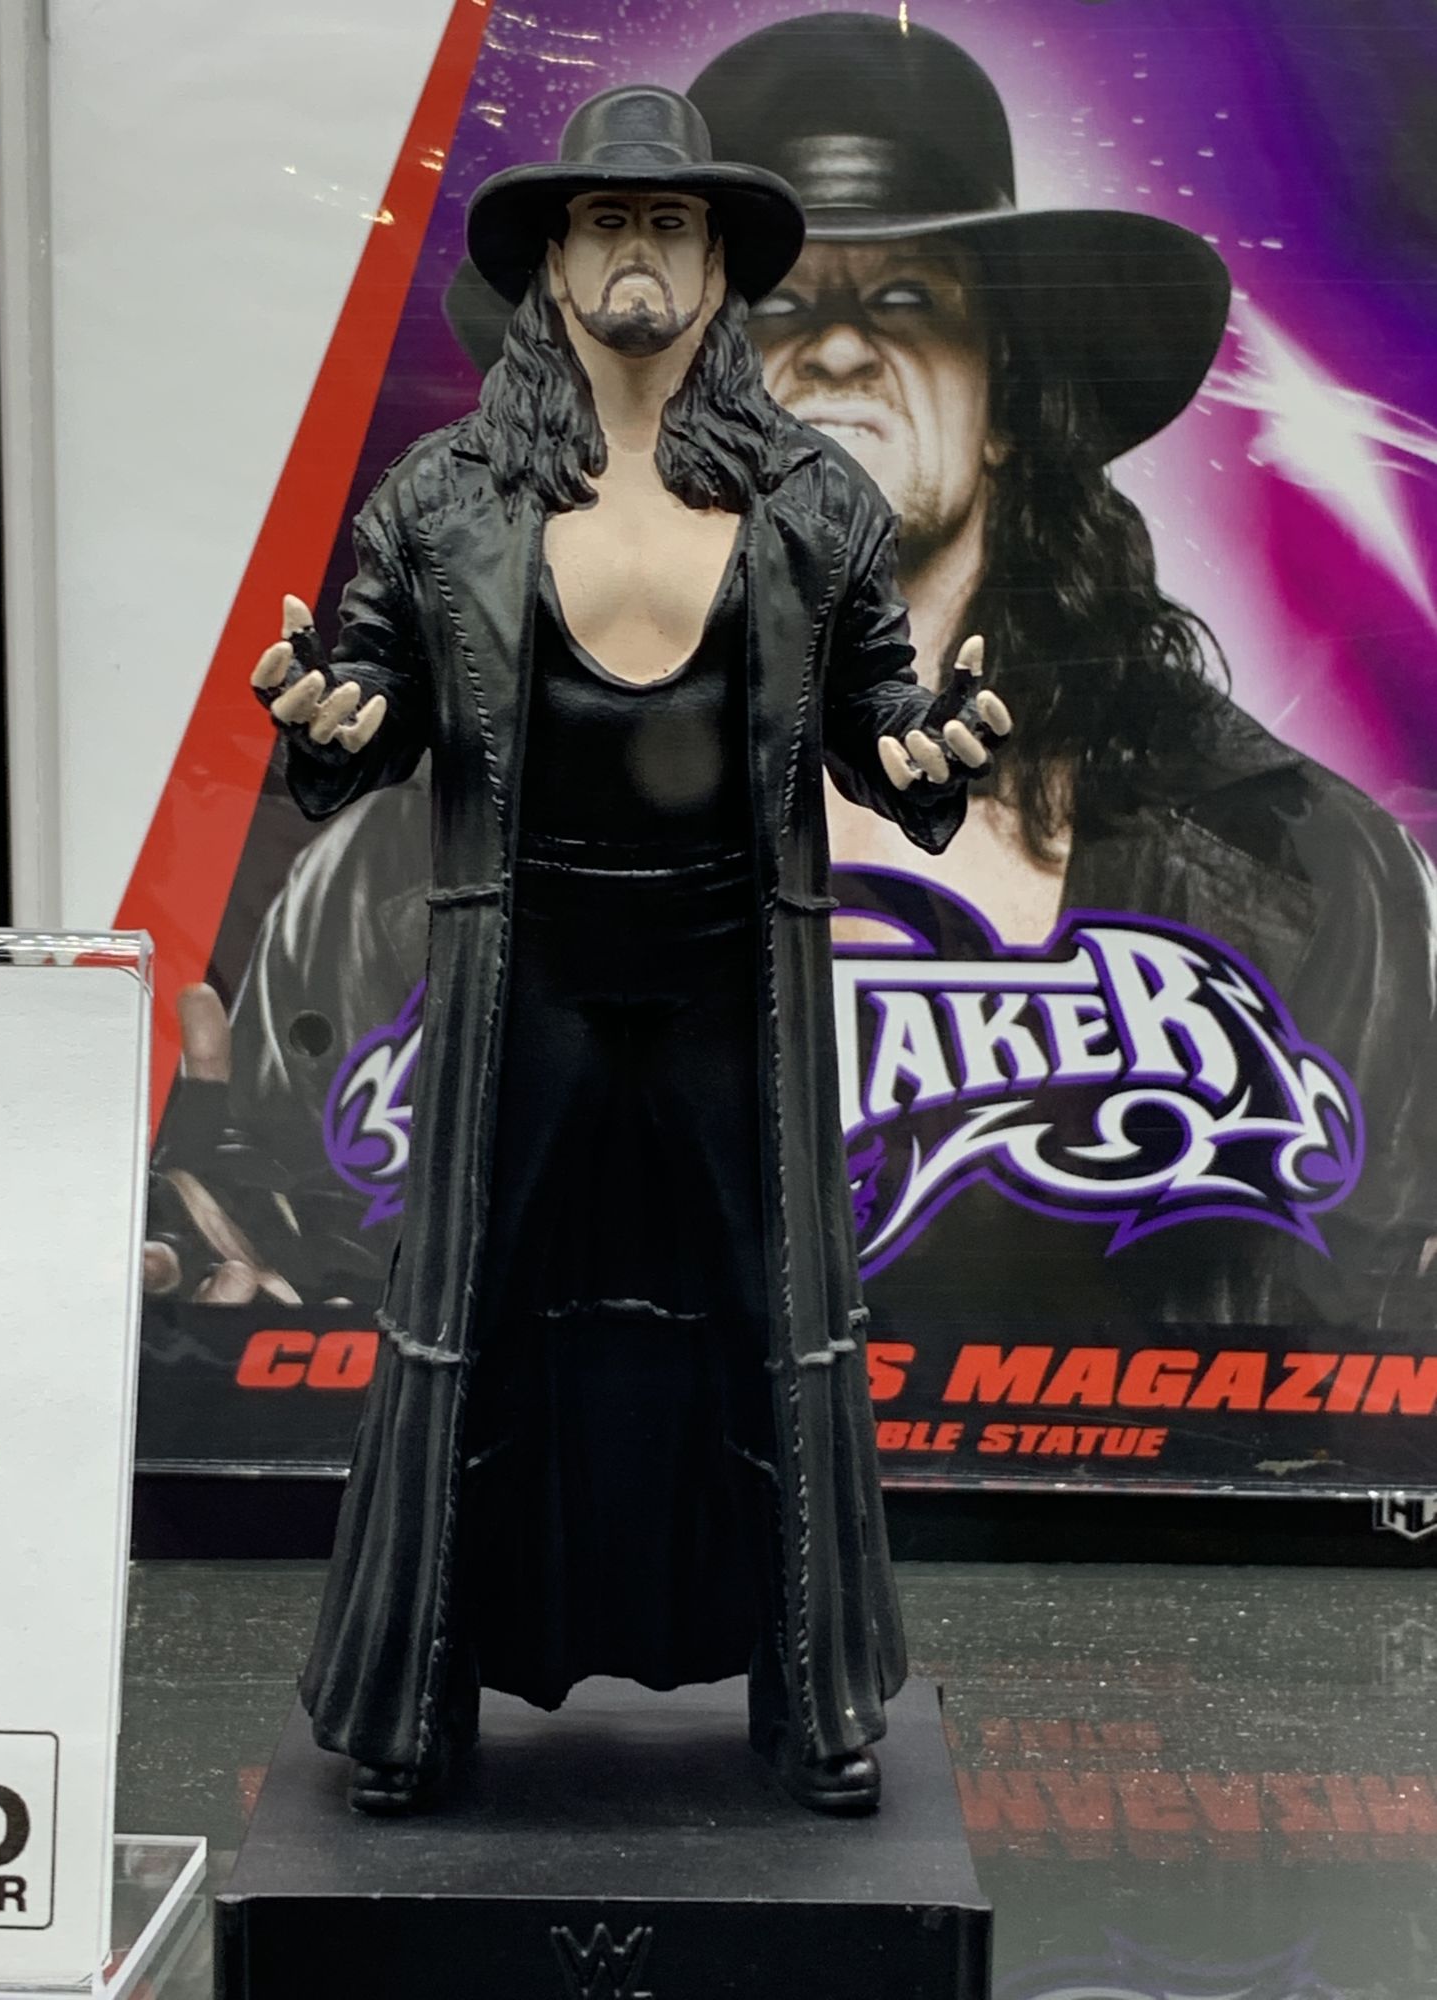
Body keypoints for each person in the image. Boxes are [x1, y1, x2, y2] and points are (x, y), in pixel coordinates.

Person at [246, 84, 1009, 1815]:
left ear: (719, 264)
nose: (641, 252)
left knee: (779, 1324)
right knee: (466, 1323)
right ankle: (412, 1711)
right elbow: (368, 708)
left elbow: (878, 720)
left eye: (672, 223)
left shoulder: (813, 497)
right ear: (557, 261)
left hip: (737, 975)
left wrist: (925, 752)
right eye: (610, 222)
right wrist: (328, 721)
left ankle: (816, 1701)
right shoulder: (444, 497)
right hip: (529, 973)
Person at [684, 13, 1437, 1328]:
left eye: (907, 299)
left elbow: (1351, 1361)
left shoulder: (1297, 871)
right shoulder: (439, 847)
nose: (841, 349)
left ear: (1007, 411)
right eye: (776, 304)